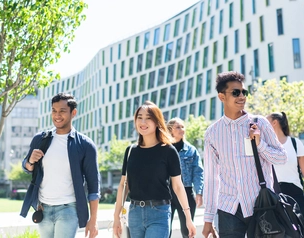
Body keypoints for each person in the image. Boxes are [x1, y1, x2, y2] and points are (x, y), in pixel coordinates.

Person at [201, 71, 287, 238]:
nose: (241, 96)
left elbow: (282, 158)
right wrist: (208, 219)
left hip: (261, 205)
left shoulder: (259, 123)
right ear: (221, 97)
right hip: (228, 208)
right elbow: (211, 178)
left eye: (243, 92)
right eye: (235, 92)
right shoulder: (212, 133)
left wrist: (260, 144)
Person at [20, 93, 101, 238]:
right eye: (54, 110)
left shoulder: (85, 145)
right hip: (43, 208)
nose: (57, 115)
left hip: (68, 209)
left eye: (62, 111)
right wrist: (30, 161)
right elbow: (27, 167)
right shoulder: (40, 139)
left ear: (73, 113)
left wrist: (93, 220)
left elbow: (94, 186)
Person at [113, 101, 196, 238]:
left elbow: (178, 186)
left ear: (157, 122)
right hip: (134, 213)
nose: (143, 121)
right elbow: (123, 185)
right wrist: (116, 217)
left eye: (148, 118)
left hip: (159, 213)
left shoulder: (168, 150)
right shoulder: (130, 151)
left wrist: (188, 217)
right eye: (139, 117)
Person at [266, 111, 304, 217]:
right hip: (273, 193)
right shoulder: (265, 145)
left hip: (295, 192)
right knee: (278, 231)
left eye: (266, 120)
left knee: (297, 230)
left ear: (274, 123)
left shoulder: (295, 143)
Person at [166, 117, 204, 238]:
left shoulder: (191, 150)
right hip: (167, 194)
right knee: (165, 230)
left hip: (186, 193)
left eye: (183, 126)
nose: (182, 129)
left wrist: (199, 192)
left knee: (187, 231)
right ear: (170, 130)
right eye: (178, 127)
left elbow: (198, 172)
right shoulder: (164, 149)